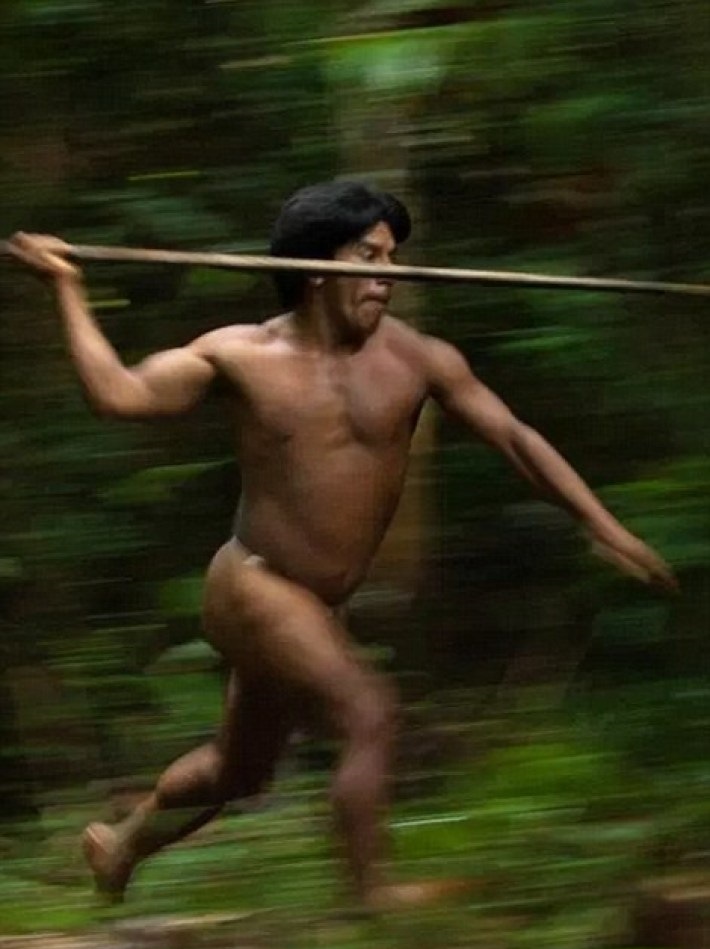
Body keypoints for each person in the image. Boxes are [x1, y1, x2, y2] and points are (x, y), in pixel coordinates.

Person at [8, 180, 677, 910]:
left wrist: (602, 524)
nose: (388, 275)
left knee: (240, 771)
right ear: (319, 268)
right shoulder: (241, 356)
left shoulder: (418, 359)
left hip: (318, 600)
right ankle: (374, 898)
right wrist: (68, 288)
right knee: (369, 712)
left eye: (395, 257)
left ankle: (120, 847)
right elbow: (120, 395)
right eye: (371, 255)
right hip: (254, 582)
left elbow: (514, 437)